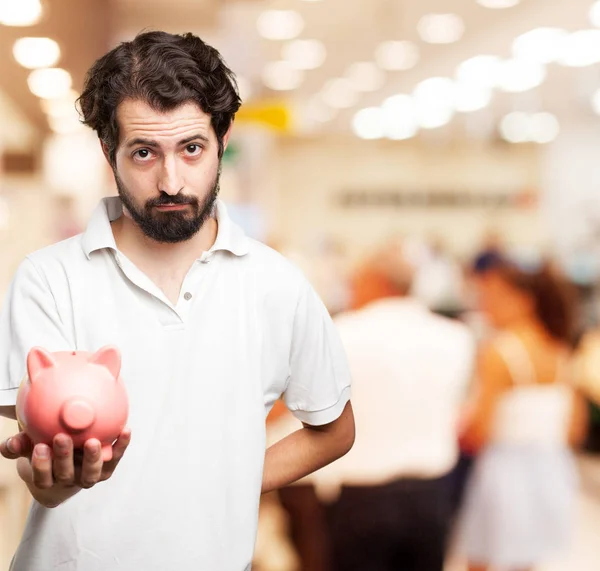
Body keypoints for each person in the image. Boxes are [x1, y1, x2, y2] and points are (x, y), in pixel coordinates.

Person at [0, 31, 354, 571]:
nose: (171, 181)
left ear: (223, 139)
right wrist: (53, 482)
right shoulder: (49, 279)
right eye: (144, 152)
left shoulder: (278, 285)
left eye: (192, 149)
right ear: (107, 150)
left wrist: (222, 483)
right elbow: (39, 463)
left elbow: (334, 430)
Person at [316, 241, 475, 571]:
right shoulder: (456, 336)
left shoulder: (342, 333)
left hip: (361, 497)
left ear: (377, 282)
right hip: (432, 493)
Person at [457, 253, 587, 571]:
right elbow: (574, 429)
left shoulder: (499, 352)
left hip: (504, 473)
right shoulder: (559, 349)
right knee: (525, 561)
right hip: (553, 470)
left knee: (482, 558)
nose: (484, 305)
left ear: (523, 300)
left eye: (492, 297)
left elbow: (480, 429)